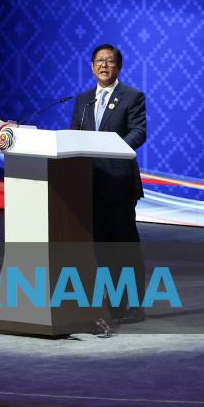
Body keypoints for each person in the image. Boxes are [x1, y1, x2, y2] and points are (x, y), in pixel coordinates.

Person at [69, 43, 146, 321]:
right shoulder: (83, 100)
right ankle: (114, 303)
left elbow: (139, 132)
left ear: (118, 67)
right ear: (92, 67)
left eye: (109, 61)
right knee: (101, 249)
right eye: (99, 61)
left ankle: (134, 305)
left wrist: (114, 149)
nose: (104, 65)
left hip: (118, 182)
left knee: (124, 246)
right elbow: (74, 134)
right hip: (89, 184)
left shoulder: (132, 96)